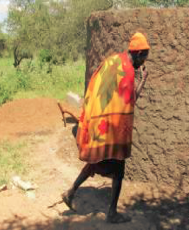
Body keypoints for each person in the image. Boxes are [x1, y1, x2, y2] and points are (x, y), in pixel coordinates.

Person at [62, 32, 150, 224]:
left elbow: (97, 83)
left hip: (100, 124)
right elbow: (130, 101)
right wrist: (142, 80)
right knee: (119, 169)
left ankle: (71, 192)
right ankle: (112, 213)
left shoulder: (113, 60)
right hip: (114, 129)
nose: (142, 62)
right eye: (143, 57)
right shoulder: (127, 71)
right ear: (138, 53)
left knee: (96, 162)